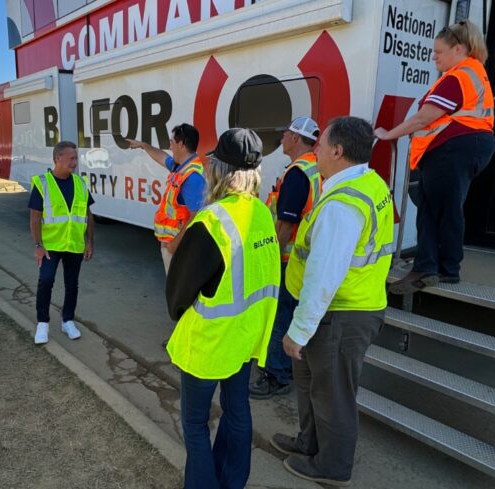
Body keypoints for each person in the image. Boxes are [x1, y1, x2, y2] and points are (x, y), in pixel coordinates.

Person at [272, 117, 392, 487]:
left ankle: (333, 467)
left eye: (320, 145)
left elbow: (324, 277)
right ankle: (310, 443)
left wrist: (298, 331)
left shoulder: (343, 205)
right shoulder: (365, 182)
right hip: (343, 310)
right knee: (312, 385)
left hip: (340, 314)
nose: (316, 150)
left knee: (333, 394)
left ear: (338, 152)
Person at [166, 128, 280, 489]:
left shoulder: (211, 220)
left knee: (196, 424)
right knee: (237, 412)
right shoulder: (262, 212)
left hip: (209, 343)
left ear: (220, 170)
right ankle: (232, 482)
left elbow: (177, 294)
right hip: (246, 337)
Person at [376, 20, 495, 293]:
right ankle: (429, 266)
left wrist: (389, 134)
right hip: (465, 145)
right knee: (434, 208)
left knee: (441, 209)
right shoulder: (473, 74)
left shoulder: (457, 77)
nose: (434, 57)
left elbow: (424, 117)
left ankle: (440, 268)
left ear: (458, 49)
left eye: (439, 52)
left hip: (454, 148)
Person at [249, 116, 322, 400]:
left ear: (295, 138)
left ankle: (276, 375)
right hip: (303, 257)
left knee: (280, 317)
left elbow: (285, 225)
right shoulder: (315, 168)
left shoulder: (297, 174)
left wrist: (270, 258)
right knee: (291, 314)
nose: (282, 138)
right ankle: (290, 369)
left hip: (286, 259)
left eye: (286, 134)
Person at [29, 141, 94, 344]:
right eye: (71, 158)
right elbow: (35, 217)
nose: (75, 162)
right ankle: (42, 323)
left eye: (76, 158)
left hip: (74, 244)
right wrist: (38, 245)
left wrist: (89, 241)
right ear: (58, 158)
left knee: (72, 285)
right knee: (46, 281)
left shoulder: (80, 183)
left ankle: (67, 321)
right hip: (50, 246)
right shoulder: (43, 182)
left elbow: (88, 214)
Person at [127, 123, 205, 273]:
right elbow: (162, 157)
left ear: (181, 144)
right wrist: (144, 145)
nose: (170, 147)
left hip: (180, 246)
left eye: (171, 143)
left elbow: (197, 216)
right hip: (173, 244)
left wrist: (175, 244)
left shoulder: (192, 177)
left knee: (179, 292)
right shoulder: (181, 166)